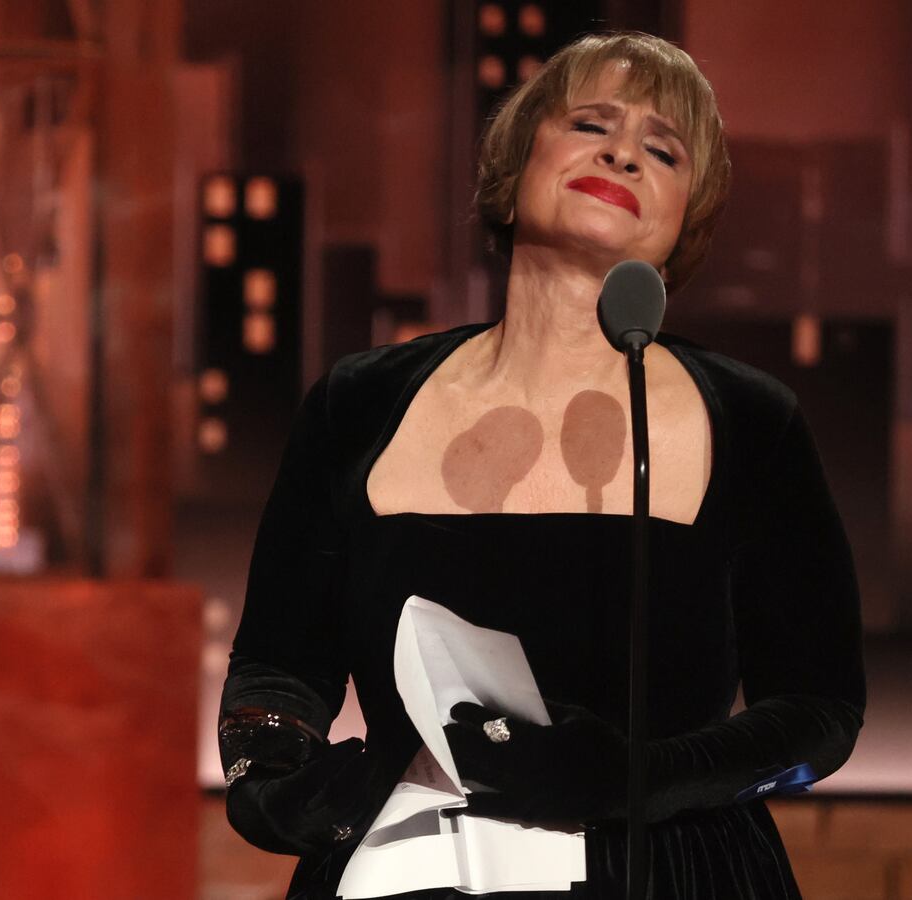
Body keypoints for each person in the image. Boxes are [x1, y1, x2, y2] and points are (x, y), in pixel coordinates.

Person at [218, 31, 865, 899]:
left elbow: (819, 713)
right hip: (401, 868)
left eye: (662, 150)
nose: (623, 152)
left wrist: (636, 778)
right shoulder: (359, 403)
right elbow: (278, 668)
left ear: (686, 219)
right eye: (591, 123)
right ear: (514, 166)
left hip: (668, 872)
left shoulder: (752, 421)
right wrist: (285, 785)